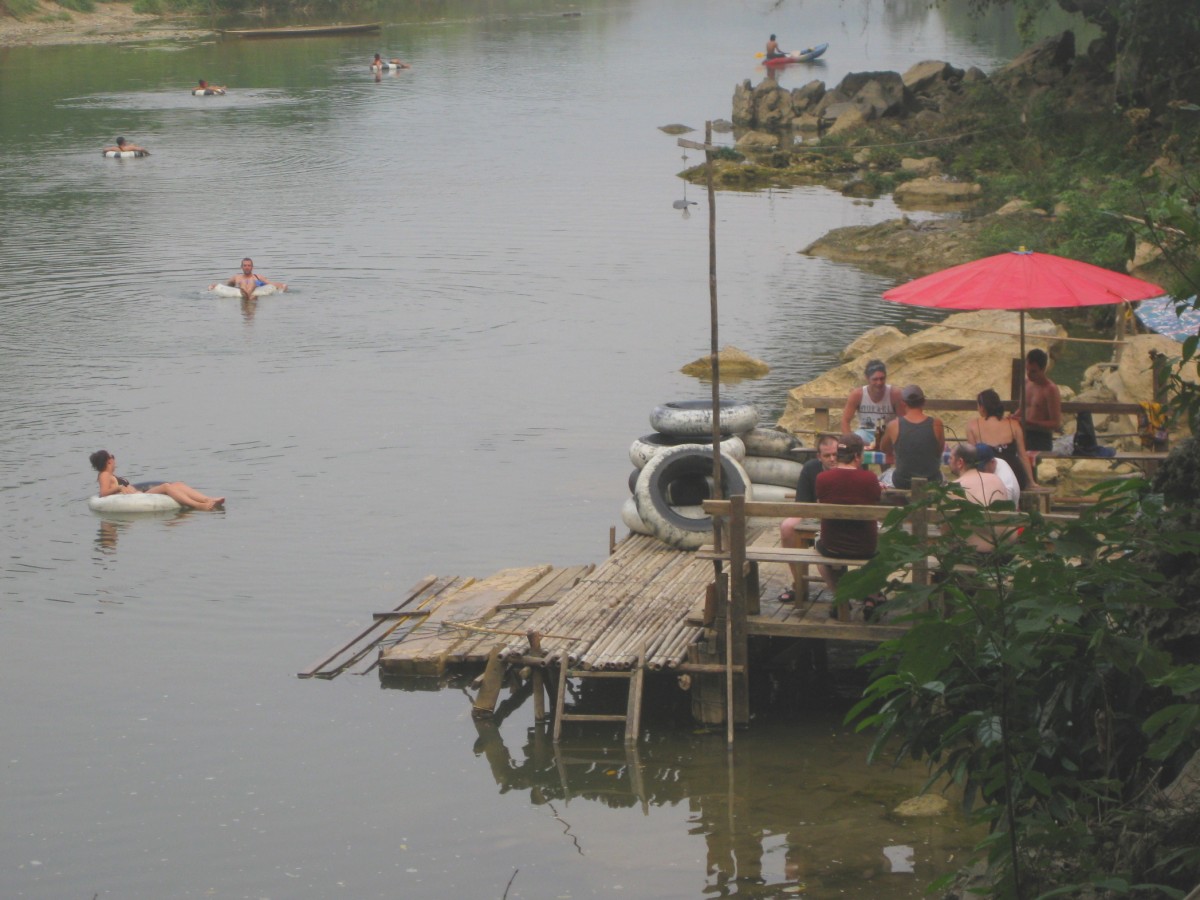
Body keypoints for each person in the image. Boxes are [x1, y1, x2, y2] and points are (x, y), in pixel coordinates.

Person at [814, 433, 882, 614]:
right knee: (883, 549)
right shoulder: (870, 478)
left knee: (818, 553)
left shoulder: (823, 478)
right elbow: (876, 501)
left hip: (832, 546)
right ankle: (872, 597)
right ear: (858, 457)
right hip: (866, 547)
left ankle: (840, 598)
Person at [776, 433, 838, 603]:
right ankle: (799, 583)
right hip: (814, 516)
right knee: (787, 526)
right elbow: (801, 505)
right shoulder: (811, 469)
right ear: (819, 457)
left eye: (835, 454)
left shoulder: (848, 468)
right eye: (827, 455)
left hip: (842, 520)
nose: (832, 459)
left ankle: (867, 592)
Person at [90, 450, 224, 510]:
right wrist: (119, 488)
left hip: (139, 495)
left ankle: (207, 499)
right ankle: (199, 506)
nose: (114, 459)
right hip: (138, 498)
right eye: (112, 457)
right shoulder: (104, 475)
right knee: (166, 486)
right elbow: (103, 493)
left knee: (178, 484)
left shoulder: (110, 475)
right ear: (108, 461)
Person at [948, 443, 1013, 555]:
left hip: (973, 556)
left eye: (950, 458)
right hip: (1003, 555)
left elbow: (947, 534)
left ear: (960, 462)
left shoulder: (952, 488)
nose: (948, 461)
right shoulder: (996, 480)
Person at [877, 384, 944, 490]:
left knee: (883, 477)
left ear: (903, 403)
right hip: (932, 481)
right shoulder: (937, 424)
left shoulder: (894, 425)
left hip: (903, 482)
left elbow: (884, 449)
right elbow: (938, 451)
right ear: (923, 402)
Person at [966, 388, 1035, 489]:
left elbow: (972, 457)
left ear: (982, 407)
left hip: (988, 477)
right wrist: (1031, 481)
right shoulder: (1014, 424)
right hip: (1014, 476)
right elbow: (1023, 455)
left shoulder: (972, 425)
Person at [840, 359, 905, 448]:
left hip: (887, 432)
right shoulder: (857, 394)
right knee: (854, 442)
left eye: (882, 378)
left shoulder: (895, 394)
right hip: (866, 432)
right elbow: (845, 421)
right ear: (867, 378)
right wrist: (850, 441)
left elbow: (903, 420)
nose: (879, 383)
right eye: (875, 379)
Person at [1017, 348, 1062, 452]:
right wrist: (1012, 418)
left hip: (1040, 437)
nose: (1029, 374)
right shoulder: (1026, 383)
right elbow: (1021, 410)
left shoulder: (1050, 389)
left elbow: (1055, 423)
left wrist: (1031, 422)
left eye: (1033, 371)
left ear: (1043, 369)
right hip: (1022, 432)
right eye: (1027, 369)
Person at [210, 258, 287, 301]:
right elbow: (227, 286)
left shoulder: (258, 277)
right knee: (244, 283)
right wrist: (214, 287)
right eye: (245, 265)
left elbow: (271, 284)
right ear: (242, 267)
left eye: (249, 265)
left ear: (252, 267)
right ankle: (246, 293)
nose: (247, 267)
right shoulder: (237, 277)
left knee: (252, 282)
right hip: (240, 295)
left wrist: (282, 286)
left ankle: (248, 293)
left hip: (254, 296)